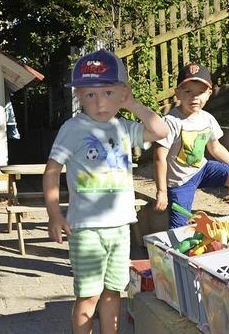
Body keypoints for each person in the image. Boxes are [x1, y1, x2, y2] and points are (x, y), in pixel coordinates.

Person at [43, 49, 168, 334]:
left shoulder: (124, 128)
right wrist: (54, 214)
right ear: (78, 95)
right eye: (90, 95)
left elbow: (160, 131)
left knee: (114, 292)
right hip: (86, 229)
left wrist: (134, 104)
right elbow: (51, 171)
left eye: (109, 93)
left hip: (121, 227)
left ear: (123, 92)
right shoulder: (72, 128)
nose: (100, 102)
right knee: (88, 295)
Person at [153, 63, 229, 229]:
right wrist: (161, 191)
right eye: (188, 92)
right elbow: (159, 157)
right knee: (180, 229)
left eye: (200, 93)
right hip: (179, 182)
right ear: (178, 93)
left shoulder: (207, 118)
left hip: (202, 170)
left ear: (209, 94)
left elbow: (216, 148)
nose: (194, 97)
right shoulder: (171, 122)